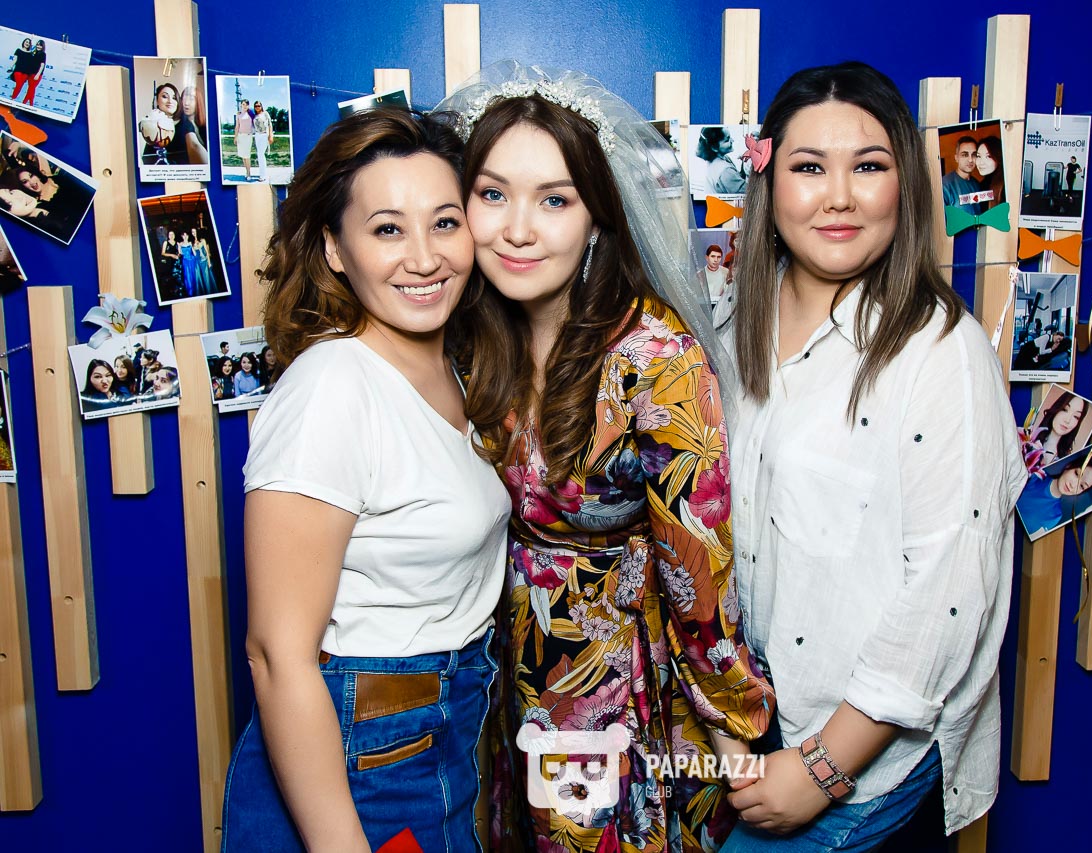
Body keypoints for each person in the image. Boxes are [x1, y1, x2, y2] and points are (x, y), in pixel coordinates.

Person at [437, 62, 772, 852]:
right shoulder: (466, 341)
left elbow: (698, 567)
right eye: (493, 194)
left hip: (608, 679)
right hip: (502, 669)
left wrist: (734, 729)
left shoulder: (655, 359)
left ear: (595, 217)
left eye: (554, 200)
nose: (518, 228)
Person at [716, 61, 1026, 851]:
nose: (839, 196)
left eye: (868, 166)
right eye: (809, 167)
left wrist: (821, 768)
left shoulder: (941, 351)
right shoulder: (729, 329)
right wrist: (724, 723)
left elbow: (950, 591)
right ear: (769, 181)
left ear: (903, 187)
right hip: (752, 730)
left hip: (860, 762)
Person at [220, 106, 509, 853]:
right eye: (387, 229)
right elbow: (276, 655)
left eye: (444, 223)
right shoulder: (332, 386)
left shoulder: (454, 371)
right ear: (334, 249)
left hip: (435, 732)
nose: (424, 257)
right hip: (362, 753)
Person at [1016, 454, 1092, 539]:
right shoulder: (1037, 474)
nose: (1073, 485)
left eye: (1082, 486)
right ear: (1069, 465)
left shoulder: (1056, 515)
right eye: (1076, 474)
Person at [1021, 391, 1089, 473]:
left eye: (1076, 416)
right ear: (1057, 408)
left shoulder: (1066, 461)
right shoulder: (1027, 439)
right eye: (1064, 409)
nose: (1067, 420)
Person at [697, 125, 748, 195]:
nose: (732, 140)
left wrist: (743, 164)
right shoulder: (726, 171)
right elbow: (748, 192)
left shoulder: (720, 159)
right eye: (727, 140)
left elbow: (736, 179)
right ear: (714, 147)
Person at [139, 83, 180, 166]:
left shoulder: (183, 124)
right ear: (156, 101)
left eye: (174, 98)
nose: (170, 101)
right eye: (165, 96)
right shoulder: (146, 124)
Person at [940, 135, 981, 214]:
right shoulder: (945, 185)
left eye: (974, 155)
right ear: (956, 158)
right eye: (965, 155)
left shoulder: (977, 184)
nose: (970, 160)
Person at [171, 85, 210, 166]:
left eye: (191, 99)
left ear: (198, 102)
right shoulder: (176, 127)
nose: (186, 103)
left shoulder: (206, 127)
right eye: (184, 99)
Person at [9, 38, 41, 107]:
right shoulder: (18, 50)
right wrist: (11, 67)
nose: (27, 43)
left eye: (29, 43)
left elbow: (33, 63)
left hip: (26, 73)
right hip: (18, 70)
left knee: (20, 85)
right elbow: (15, 60)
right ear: (23, 42)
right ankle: (13, 98)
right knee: (19, 84)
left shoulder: (31, 53)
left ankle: (13, 98)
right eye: (26, 42)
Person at [974, 135, 1004, 208]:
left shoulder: (1005, 185)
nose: (981, 162)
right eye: (978, 156)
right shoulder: (982, 185)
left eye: (988, 156)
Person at [253, 100, 274, 182]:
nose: (257, 107)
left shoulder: (265, 113)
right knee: (259, 154)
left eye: (258, 106)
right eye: (255, 106)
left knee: (261, 154)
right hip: (257, 135)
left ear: (261, 106)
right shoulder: (255, 115)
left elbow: (270, 124)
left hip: (264, 135)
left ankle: (263, 175)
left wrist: (271, 135)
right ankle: (262, 173)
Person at [234, 99, 254, 181]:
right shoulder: (239, 115)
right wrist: (235, 137)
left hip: (248, 136)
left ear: (248, 105)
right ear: (241, 105)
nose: (244, 106)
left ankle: (249, 173)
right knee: (243, 155)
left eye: (246, 104)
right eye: (243, 104)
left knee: (247, 155)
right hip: (240, 136)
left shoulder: (251, 113)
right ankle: (246, 171)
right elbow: (237, 126)